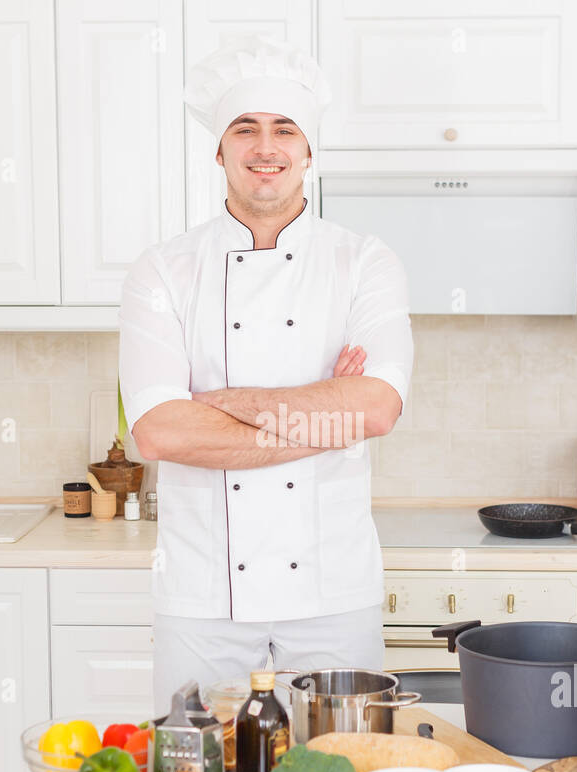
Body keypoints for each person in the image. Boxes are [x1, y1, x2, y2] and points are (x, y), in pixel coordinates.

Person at [118, 36, 413, 714]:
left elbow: (374, 411)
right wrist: (325, 417)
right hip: (202, 595)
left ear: (309, 150)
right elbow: (160, 432)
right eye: (244, 128)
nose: (265, 146)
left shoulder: (364, 263)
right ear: (219, 150)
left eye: (285, 129)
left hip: (334, 592)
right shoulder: (164, 271)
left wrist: (222, 407)